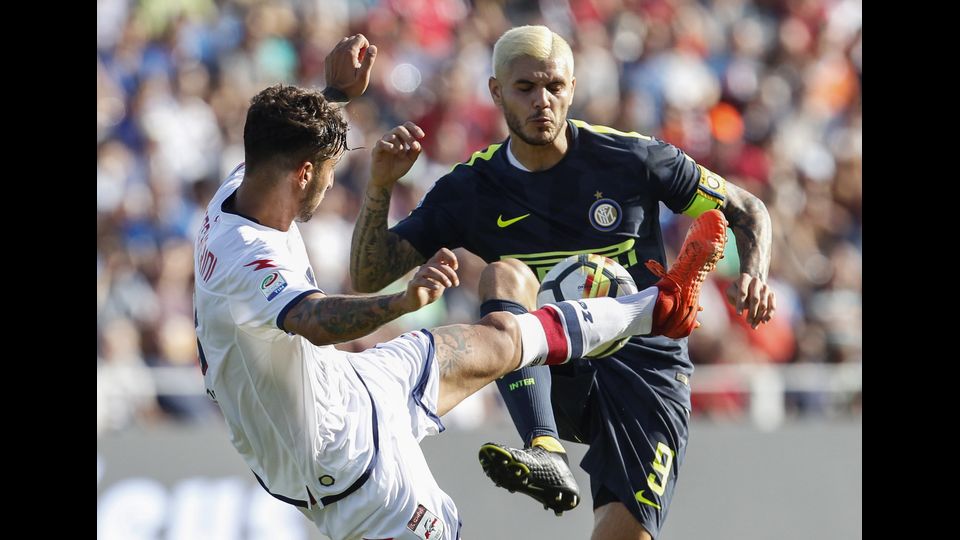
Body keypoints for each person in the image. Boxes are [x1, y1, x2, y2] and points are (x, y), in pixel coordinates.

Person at [193, 34, 729, 540]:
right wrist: (402, 302)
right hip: (343, 460)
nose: (334, 182)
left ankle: (656, 307)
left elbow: (285, 135)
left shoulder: (242, 187)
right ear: (305, 174)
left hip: (356, 383)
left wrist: (334, 95)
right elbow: (313, 321)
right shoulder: (248, 257)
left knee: (500, 336)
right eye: (331, 171)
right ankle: (651, 308)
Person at [349, 25, 775, 540]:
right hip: (558, 371)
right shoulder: (470, 189)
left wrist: (753, 273)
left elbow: (747, 211)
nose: (542, 101)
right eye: (525, 88)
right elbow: (370, 274)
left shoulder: (631, 159)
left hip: (645, 368)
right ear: (496, 92)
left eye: (554, 86)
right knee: (506, 273)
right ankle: (543, 447)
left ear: (572, 87)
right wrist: (379, 186)